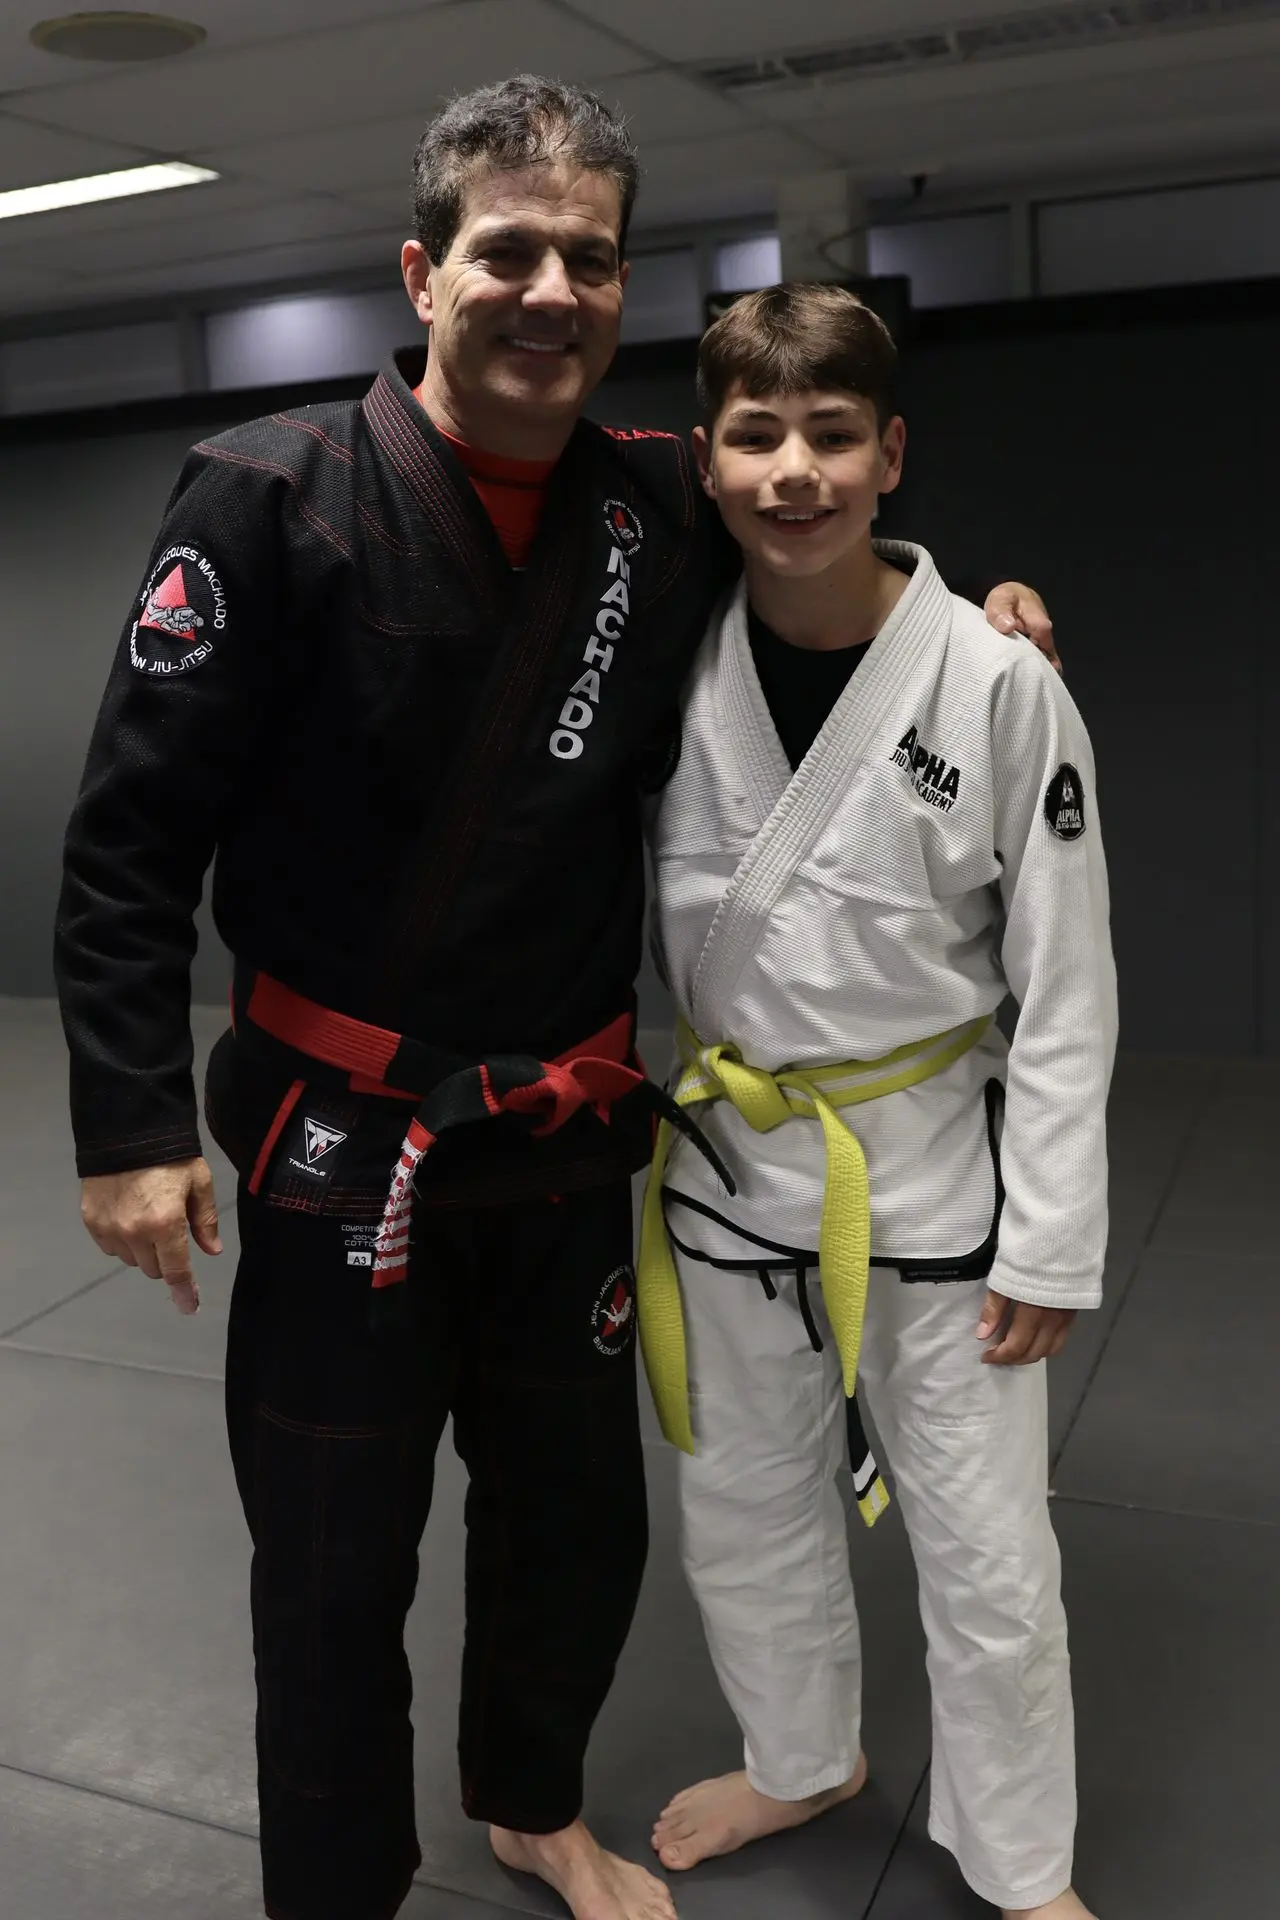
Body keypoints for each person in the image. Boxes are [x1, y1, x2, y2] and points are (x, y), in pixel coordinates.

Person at [54, 78, 1059, 1920]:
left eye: (587, 257)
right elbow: (128, 848)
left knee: (575, 1534)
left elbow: (822, 530)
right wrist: (127, 1127)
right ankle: (338, 1888)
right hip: (336, 1139)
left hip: (566, 1132)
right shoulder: (267, 497)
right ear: (426, 273)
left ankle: (531, 1803)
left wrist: (971, 607)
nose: (549, 289)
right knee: (337, 1562)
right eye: (507, 252)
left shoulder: (655, 501)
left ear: (620, 288)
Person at [639, 283, 1115, 1920]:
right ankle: (799, 1757)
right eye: (756, 435)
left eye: (832, 436)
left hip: (938, 1186)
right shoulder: (661, 657)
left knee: (989, 1559)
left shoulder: (995, 676)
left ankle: (1021, 1857)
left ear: (890, 453)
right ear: (704, 459)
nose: (795, 472)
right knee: (745, 1507)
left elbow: (1066, 984)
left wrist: (1054, 1240)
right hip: (724, 1169)